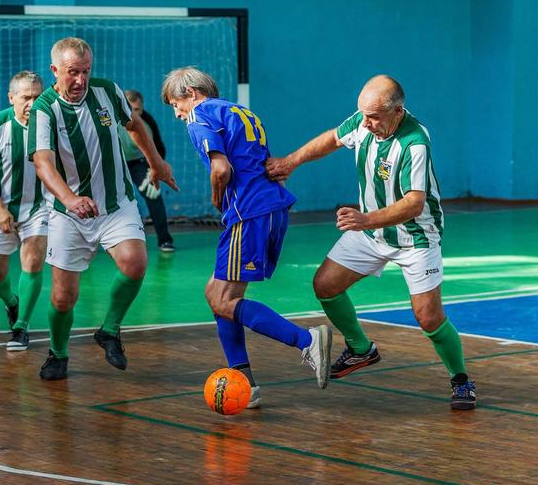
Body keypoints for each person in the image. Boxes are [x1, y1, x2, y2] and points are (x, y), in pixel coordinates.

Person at [266, 75, 476, 410]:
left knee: (428, 317)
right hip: (371, 230)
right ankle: (361, 349)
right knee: (326, 284)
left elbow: (414, 203)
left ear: (398, 111)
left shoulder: (414, 142)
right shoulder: (365, 121)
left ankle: (461, 380)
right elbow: (332, 139)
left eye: (375, 117)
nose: (366, 123)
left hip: (415, 237)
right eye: (363, 114)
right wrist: (291, 161)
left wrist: (364, 219)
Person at [161, 67, 332, 408]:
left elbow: (221, 168)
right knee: (217, 295)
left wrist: (216, 195)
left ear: (191, 94)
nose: (177, 114)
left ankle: (306, 340)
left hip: (248, 213)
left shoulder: (200, 116)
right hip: (269, 208)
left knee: (223, 300)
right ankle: (246, 384)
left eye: (175, 104)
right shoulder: (241, 111)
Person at [28, 37, 177, 381]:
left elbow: (135, 125)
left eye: (85, 71)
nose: (80, 80)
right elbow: (43, 162)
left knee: (135, 262)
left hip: (115, 203)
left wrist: (157, 163)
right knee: (64, 297)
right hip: (69, 213)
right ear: (54, 71)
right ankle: (58, 352)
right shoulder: (43, 110)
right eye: (72, 73)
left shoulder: (107, 91)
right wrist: (69, 199)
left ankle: (109, 330)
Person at [0, 70, 46, 352]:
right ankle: (12, 303)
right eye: (26, 97)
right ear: (11, 97)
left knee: (32, 262)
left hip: (41, 207)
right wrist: (0, 209)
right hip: (0, 209)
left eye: (37, 97)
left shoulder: (52, 124)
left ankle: (21, 328)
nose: (32, 103)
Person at [118, 89, 176, 252]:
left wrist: (153, 170)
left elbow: (159, 148)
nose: (135, 114)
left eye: (138, 110)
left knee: (154, 194)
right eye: (131, 109)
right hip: (115, 162)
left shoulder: (147, 120)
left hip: (138, 163)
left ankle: (165, 240)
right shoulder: (109, 118)